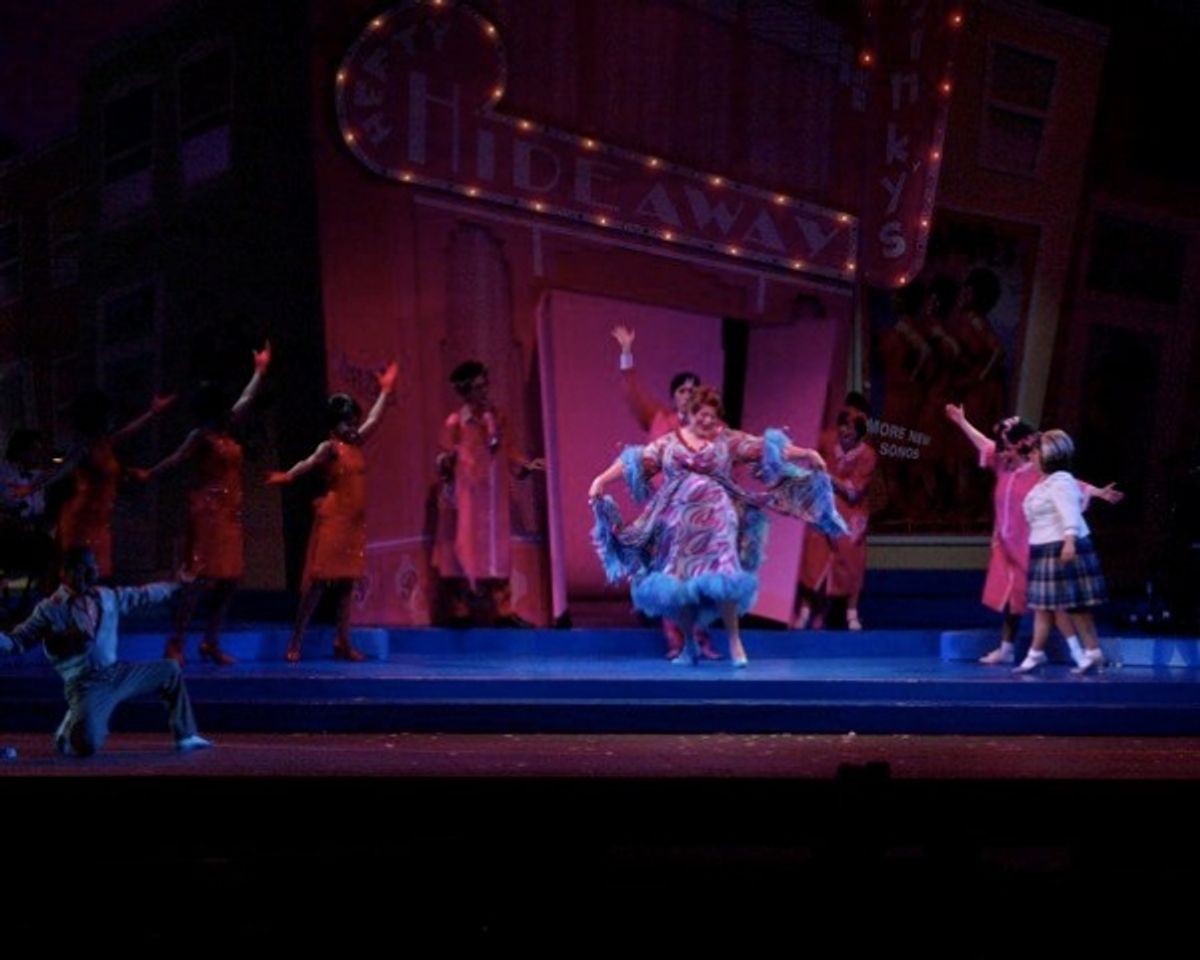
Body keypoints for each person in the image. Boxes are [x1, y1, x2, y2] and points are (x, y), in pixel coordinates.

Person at [588, 385, 845, 667]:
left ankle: (736, 644)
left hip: (717, 521)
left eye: (713, 416)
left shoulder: (727, 441)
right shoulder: (669, 443)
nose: (708, 421)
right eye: (702, 415)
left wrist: (806, 453)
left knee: (724, 580)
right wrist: (601, 479)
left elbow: (764, 448)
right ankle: (688, 646)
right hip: (680, 526)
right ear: (689, 414)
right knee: (680, 586)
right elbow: (635, 462)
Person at [944, 405, 1121, 667]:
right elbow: (983, 443)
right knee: (1013, 599)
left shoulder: (1040, 474)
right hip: (1006, 547)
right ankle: (1013, 650)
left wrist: (1098, 493)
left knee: (1053, 603)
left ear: (1020, 446)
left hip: (1032, 547)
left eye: (1006, 444)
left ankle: (1079, 652)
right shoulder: (1003, 466)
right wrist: (962, 421)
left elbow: (1071, 484)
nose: (1001, 449)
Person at [132, 342, 271, 666]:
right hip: (208, 514)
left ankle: (210, 641)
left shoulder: (229, 429)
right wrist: (149, 473)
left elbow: (248, 399)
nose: (229, 408)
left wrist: (260, 371)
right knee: (198, 581)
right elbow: (176, 459)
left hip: (231, 514)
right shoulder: (201, 436)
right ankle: (176, 644)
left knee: (230, 579)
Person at [0, 547, 212, 756]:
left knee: (170, 670)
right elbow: (18, 641)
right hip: (87, 684)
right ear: (65, 572)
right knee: (88, 744)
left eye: (92, 568)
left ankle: (185, 734)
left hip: (117, 673)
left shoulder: (107, 596)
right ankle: (70, 729)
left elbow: (145, 594)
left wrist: (177, 583)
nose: (89, 573)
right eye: (82, 569)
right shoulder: (49, 608)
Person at [268, 360, 398, 662]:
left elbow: (376, 420)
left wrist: (384, 392)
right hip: (334, 521)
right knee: (318, 584)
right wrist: (288, 475)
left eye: (354, 421)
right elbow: (309, 462)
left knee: (346, 585)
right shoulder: (330, 447)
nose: (352, 427)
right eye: (346, 422)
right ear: (333, 423)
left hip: (354, 524)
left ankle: (343, 641)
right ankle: (296, 640)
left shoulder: (357, 443)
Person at [610, 324, 720, 659]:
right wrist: (627, 353)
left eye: (693, 390)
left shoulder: (711, 428)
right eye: (683, 391)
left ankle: (701, 639)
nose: (688, 395)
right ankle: (676, 640)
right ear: (674, 397)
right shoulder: (659, 418)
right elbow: (633, 394)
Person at [432, 360, 544, 627]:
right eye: (478, 388)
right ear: (466, 391)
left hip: (492, 501)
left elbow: (508, 450)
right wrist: (448, 463)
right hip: (467, 499)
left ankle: (503, 610)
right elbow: (443, 456)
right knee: (462, 551)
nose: (485, 392)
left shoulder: (495, 418)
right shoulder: (456, 422)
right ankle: (459, 611)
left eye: (486, 386)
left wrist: (525, 466)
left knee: (496, 552)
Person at [1013, 430, 1110, 674]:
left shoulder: (1061, 481)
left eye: (1036, 452)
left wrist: (1069, 542)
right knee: (1046, 606)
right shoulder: (1043, 483)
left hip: (1062, 546)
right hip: (1044, 548)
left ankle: (1091, 652)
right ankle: (1041, 654)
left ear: (1049, 455)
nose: (1032, 456)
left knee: (1075, 604)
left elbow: (1071, 513)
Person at [56, 389, 176, 579]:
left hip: (100, 520)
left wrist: (152, 412)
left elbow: (129, 431)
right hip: (82, 520)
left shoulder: (104, 443)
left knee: (99, 576)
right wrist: (31, 488)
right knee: (81, 578)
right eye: (109, 415)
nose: (113, 419)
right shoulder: (83, 448)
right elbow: (60, 471)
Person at [794, 406, 878, 631]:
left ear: (859, 433)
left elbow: (853, 491)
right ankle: (806, 610)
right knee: (814, 557)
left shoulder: (867, 455)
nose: (845, 432)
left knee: (850, 559)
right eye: (842, 426)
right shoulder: (826, 440)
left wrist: (826, 475)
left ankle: (851, 612)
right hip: (823, 505)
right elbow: (807, 463)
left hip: (850, 510)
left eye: (851, 429)